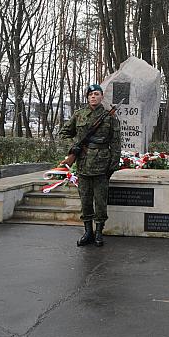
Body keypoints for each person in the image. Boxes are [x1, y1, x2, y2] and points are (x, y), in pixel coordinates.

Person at [59, 84, 121, 247]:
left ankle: (99, 232)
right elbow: (64, 133)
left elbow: (115, 142)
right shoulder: (79, 115)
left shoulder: (110, 117)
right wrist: (74, 146)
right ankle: (88, 232)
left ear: (101, 97)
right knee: (85, 200)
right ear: (87, 97)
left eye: (96, 94)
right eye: (90, 94)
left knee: (100, 201)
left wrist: (113, 164)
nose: (93, 97)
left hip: (102, 164)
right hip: (83, 164)